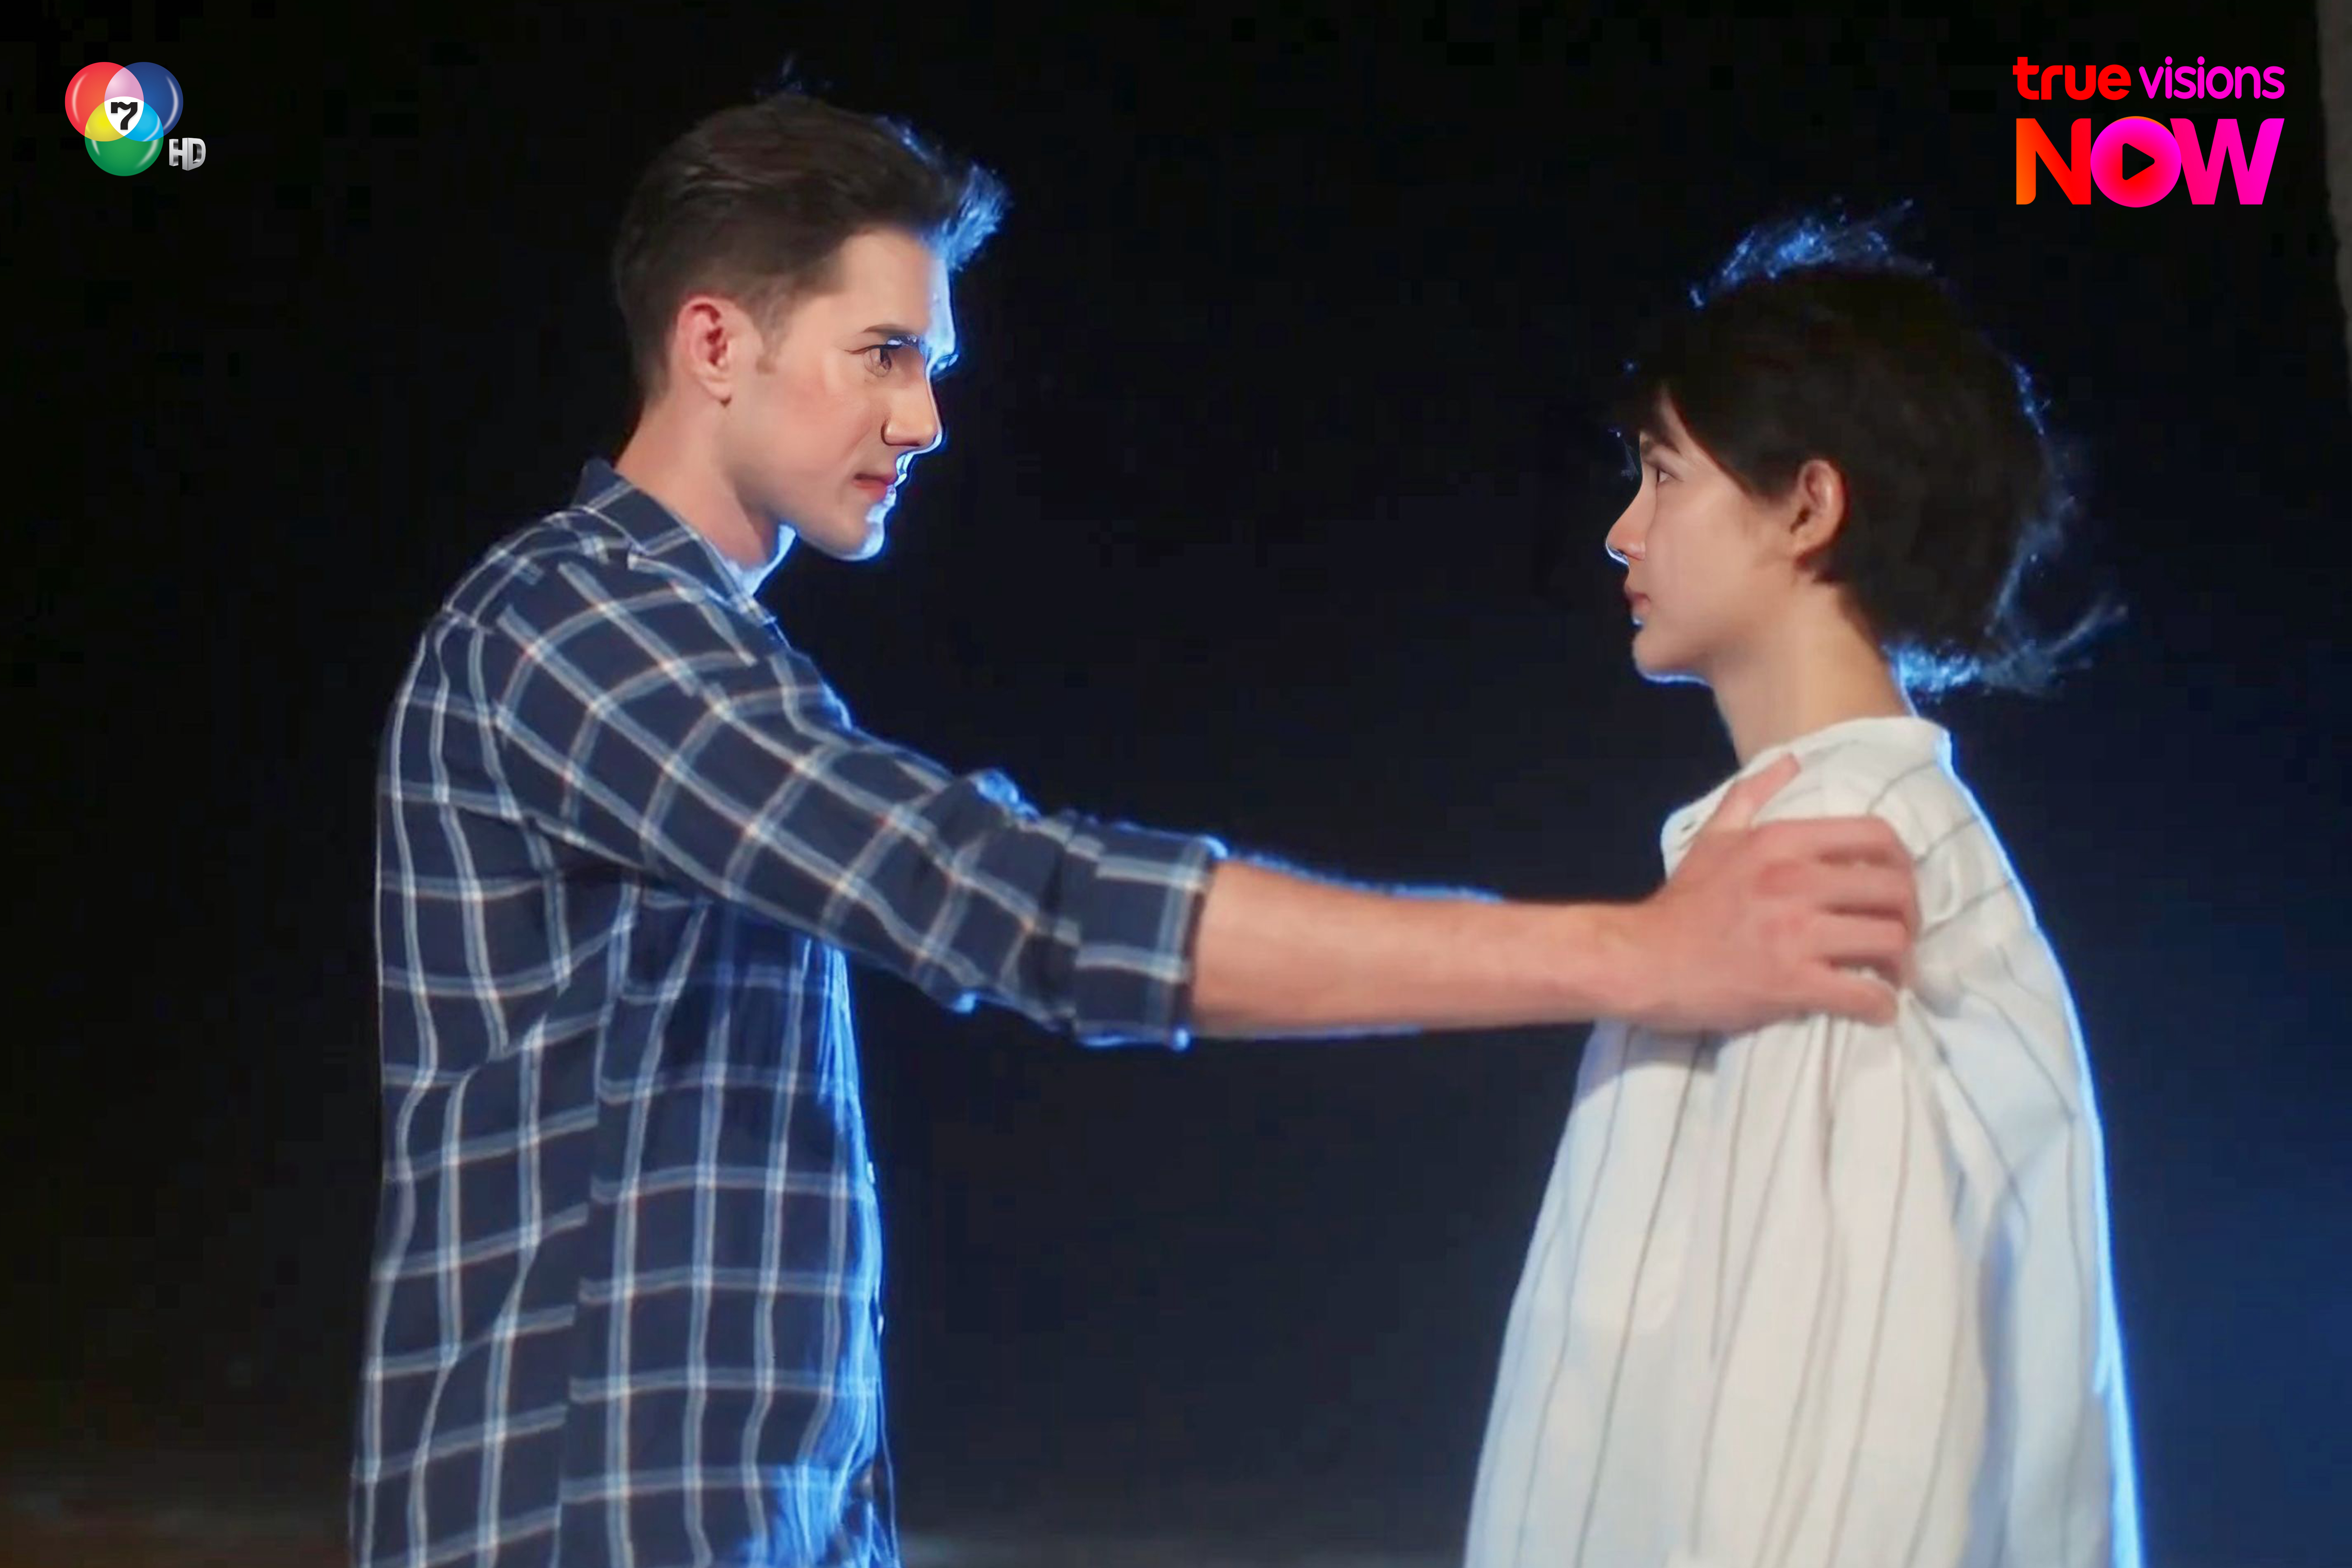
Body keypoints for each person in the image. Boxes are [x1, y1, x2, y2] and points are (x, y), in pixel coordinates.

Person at [355, 94, 1923, 1568]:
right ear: (714, 342)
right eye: (885, 353)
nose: (925, 418)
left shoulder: (717, 663)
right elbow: (999, 898)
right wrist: (1638, 953)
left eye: (931, 366)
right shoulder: (570, 627)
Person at [1462, 216, 2142, 1567]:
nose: (1622, 531)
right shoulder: (1826, 856)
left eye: (1665, 475)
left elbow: (1864, 1455)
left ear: (1808, 507)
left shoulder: (1832, 884)